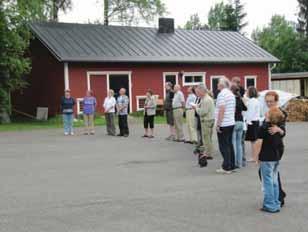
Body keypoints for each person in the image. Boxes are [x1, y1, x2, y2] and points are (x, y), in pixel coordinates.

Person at [254, 107, 286, 213]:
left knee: (267, 182)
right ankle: (276, 202)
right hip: (275, 157)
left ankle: (270, 204)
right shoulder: (277, 128)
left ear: (269, 116)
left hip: (266, 157)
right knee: (274, 181)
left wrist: (256, 157)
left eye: (268, 112)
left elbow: (259, 143)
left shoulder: (264, 128)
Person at [261, 91, 287, 207]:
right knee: (271, 174)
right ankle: (276, 197)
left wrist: (279, 130)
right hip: (271, 146)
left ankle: (276, 198)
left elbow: (283, 131)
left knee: (270, 175)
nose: (269, 103)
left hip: (276, 147)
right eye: (267, 101)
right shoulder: (267, 112)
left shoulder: (280, 113)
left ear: (276, 101)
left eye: (271, 101)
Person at [215, 77, 236, 174]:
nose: (217, 84)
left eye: (218, 83)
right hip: (231, 122)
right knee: (229, 145)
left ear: (222, 85)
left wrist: (218, 124)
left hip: (224, 123)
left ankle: (226, 166)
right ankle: (231, 165)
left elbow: (222, 109)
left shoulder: (222, 94)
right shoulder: (231, 94)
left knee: (224, 146)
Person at [193, 84, 215, 162]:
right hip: (209, 120)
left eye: (198, 92)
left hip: (207, 121)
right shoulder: (205, 98)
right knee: (207, 138)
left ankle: (208, 154)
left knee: (207, 138)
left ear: (202, 91)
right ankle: (208, 151)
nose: (197, 94)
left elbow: (202, 112)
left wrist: (196, 108)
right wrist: (198, 106)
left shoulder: (206, 100)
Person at [231, 85, 247, 168]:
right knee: (239, 144)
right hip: (241, 122)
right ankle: (240, 163)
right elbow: (245, 108)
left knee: (233, 143)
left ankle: (234, 162)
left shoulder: (232, 100)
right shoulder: (240, 99)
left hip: (234, 121)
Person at [244, 86, 261, 162]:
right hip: (256, 121)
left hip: (252, 121)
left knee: (253, 141)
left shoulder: (252, 101)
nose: (246, 92)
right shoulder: (256, 100)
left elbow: (250, 113)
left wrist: (247, 122)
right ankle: (255, 156)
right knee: (254, 140)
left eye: (247, 91)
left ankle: (254, 157)